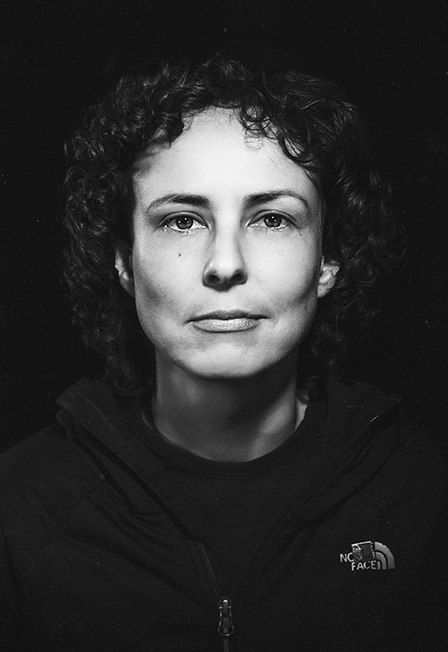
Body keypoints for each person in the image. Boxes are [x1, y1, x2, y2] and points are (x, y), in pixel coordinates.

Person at [0, 56, 446, 651]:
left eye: (272, 219)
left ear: (328, 261)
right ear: (124, 261)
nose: (225, 264)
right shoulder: (21, 508)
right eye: (182, 221)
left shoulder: (424, 494)